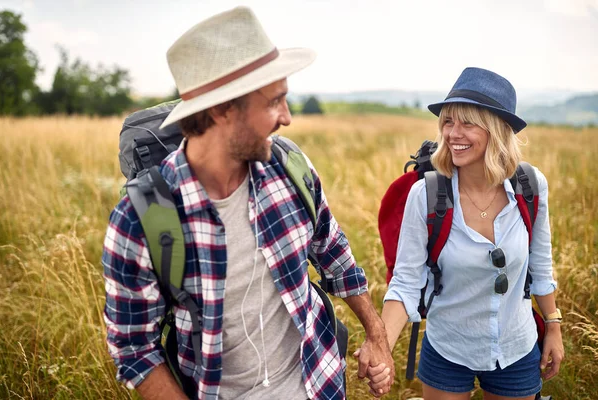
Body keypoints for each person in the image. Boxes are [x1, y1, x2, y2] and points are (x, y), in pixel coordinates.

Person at [101, 6, 393, 400]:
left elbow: (334, 254)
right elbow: (134, 348)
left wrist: (377, 337)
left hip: (320, 385)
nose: (287, 117)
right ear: (222, 109)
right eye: (274, 102)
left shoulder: (290, 169)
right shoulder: (141, 217)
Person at [378, 67, 564, 400]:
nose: (452, 134)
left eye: (467, 122)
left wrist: (553, 326)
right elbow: (406, 281)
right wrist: (381, 346)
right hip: (448, 347)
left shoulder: (530, 187)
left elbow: (540, 263)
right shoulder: (425, 196)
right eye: (448, 122)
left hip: (516, 346)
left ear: (496, 130)